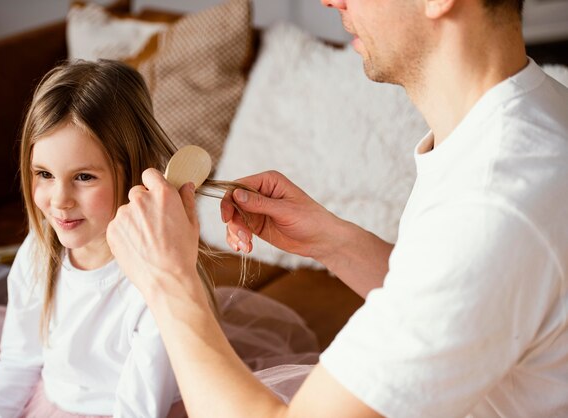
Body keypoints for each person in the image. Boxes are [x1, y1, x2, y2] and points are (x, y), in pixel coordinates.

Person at [106, 0, 568, 416]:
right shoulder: (530, 118)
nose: (330, 0)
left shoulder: (492, 203)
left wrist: (167, 282)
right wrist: (333, 241)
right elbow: (467, 303)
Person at [0, 59, 218, 417]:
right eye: (44, 174)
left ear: (131, 168)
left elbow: (139, 410)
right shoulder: (38, 253)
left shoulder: (158, 281)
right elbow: (18, 363)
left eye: (84, 177)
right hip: (53, 403)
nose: (59, 200)